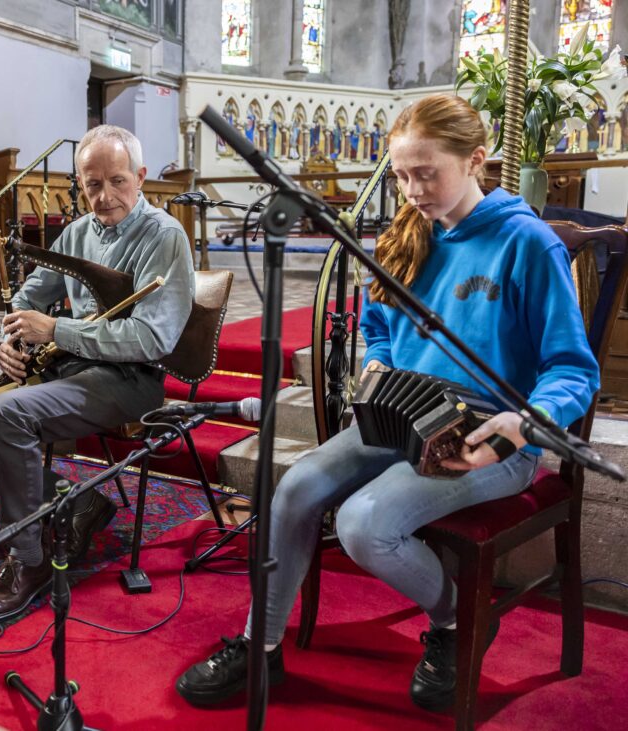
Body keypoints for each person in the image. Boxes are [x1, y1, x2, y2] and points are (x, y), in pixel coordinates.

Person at [175, 93, 600, 712]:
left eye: (426, 173)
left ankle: (457, 622)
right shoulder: (407, 235)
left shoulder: (527, 244)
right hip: (401, 415)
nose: (411, 188)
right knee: (292, 490)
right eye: (401, 174)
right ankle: (259, 646)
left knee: (364, 523)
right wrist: (376, 357)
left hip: (488, 437)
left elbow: (572, 369)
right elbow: (377, 325)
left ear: (476, 160)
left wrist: (517, 427)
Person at [0, 124, 194, 627]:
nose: (104, 196)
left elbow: (152, 339)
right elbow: (27, 298)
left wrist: (58, 329)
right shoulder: (76, 233)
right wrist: (11, 342)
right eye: (92, 184)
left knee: (7, 413)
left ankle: (28, 562)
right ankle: (74, 502)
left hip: (130, 381)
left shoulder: (164, 235)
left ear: (139, 177)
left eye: (117, 181)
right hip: (70, 371)